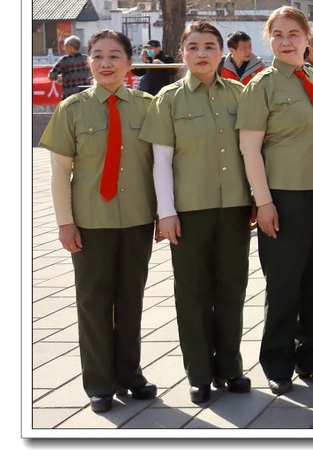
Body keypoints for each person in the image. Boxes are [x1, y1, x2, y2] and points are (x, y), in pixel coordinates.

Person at [40, 30, 157, 413]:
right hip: (90, 221)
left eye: (115, 56)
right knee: (93, 302)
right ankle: (100, 383)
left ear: (129, 62)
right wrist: (64, 223)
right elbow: (60, 172)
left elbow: (160, 166)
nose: (106, 62)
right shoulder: (72, 108)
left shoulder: (147, 106)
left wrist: (163, 213)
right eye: (98, 55)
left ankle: (130, 374)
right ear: (88, 62)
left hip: (137, 218)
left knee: (130, 300)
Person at [237, 6, 313, 395]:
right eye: (278, 35)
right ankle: (278, 361)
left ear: (307, 38)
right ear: (269, 39)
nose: (286, 42)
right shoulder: (261, 85)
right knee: (284, 282)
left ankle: (311, 355)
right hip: (284, 196)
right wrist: (263, 201)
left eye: (294, 34)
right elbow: (249, 148)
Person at [140, 22, 255, 404]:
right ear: (182, 52)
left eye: (209, 46)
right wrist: (166, 212)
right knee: (192, 293)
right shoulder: (168, 98)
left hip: (235, 208)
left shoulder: (241, 94)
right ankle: (200, 373)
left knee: (232, 289)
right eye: (193, 47)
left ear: (222, 52)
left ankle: (231, 367)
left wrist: (257, 198)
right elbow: (161, 161)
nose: (202, 54)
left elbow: (253, 151)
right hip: (188, 212)